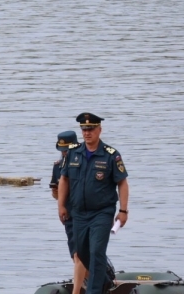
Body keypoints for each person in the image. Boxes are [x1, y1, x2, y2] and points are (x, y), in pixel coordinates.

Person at [58, 113, 129, 294]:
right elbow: (64, 179)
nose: (87, 133)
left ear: (99, 130)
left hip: (102, 213)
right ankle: (104, 281)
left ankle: (94, 290)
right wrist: (61, 205)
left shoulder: (111, 155)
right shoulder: (74, 153)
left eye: (91, 129)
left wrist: (123, 210)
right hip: (79, 213)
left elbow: (122, 183)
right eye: (84, 129)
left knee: (97, 251)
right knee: (81, 253)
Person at [49, 130, 88, 293]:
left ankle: (78, 290)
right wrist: (61, 203)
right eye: (62, 150)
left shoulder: (85, 162)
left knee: (81, 255)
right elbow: (54, 191)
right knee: (75, 255)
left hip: (86, 214)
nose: (64, 153)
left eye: (67, 150)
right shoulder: (58, 166)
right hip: (69, 216)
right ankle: (90, 282)